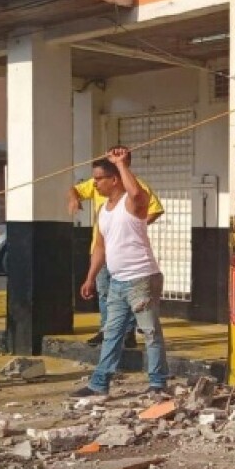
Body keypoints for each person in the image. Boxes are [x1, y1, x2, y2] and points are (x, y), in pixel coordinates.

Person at [71, 147, 169, 400]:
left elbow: (136, 192)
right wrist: (90, 277)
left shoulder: (132, 203)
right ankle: (99, 384)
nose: (95, 184)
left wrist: (121, 163)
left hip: (141, 278)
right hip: (117, 281)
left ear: (114, 179)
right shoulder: (103, 211)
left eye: (99, 179)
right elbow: (100, 247)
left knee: (150, 333)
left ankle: (158, 383)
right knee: (111, 334)